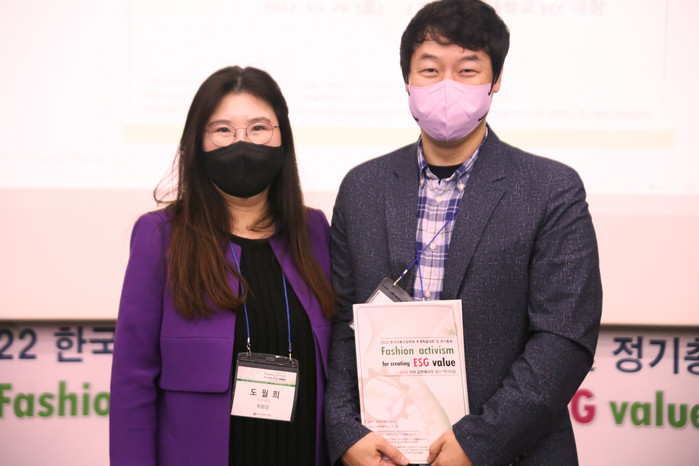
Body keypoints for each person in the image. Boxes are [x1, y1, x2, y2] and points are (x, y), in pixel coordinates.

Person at [324, 1, 602, 465]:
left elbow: (563, 338)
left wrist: (477, 443)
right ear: (408, 81)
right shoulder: (362, 187)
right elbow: (341, 324)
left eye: (467, 70)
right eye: (430, 70)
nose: (447, 85)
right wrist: (345, 431)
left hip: (512, 453)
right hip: (384, 452)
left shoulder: (551, 189)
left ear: (496, 80)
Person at [109, 66, 335, 465]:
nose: (241, 142)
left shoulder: (314, 230)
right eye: (223, 130)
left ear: (283, 139)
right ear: (197, 143)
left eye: (259, 128)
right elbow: (133, 382)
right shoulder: (160, 236)